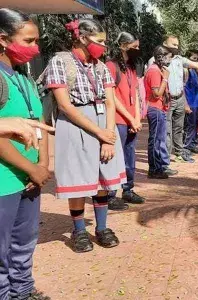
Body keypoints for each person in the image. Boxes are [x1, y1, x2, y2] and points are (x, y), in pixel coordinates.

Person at [45, 18, 127, 253]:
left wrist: (108, 135)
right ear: (82, 38)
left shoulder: (101, 67)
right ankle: (79, 229)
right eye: (99, 41)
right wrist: (99, 132)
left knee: (104, 178)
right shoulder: (60, 61)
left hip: (103, 124)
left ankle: (102, 227)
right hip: (75, 125)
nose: (102, 46)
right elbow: (65, 105)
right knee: (79, 181)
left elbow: (110, 103)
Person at [0, 8, 51, 300]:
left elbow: (39, 122)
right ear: (4, 40)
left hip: (30, 179)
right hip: (5, 180)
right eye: (29, 41)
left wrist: (42, 165)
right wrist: (30, 168)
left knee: (24, 243)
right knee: (1, 250)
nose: (35, 48)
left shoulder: (23, 78)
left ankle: (23, 292)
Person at [106, 32, 145, 208]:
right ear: (123, 46)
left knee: (130, 156)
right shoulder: (111, 66)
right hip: (117, 120)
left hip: (130, 120)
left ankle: (128, 189)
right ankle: (110, 194)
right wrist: (129, 118)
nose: (137, 50)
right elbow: (112, 96)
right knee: (115, 158)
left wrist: (136, 118)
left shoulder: (131, 67)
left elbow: (135, 94)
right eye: (134, 47)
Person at [144, 45, 179, 178]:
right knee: (156, 140)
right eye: (169, 57)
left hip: (160, 109)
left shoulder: (158, 69)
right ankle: (154, 169)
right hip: (155, 108)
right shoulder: (154, 71)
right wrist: (165, 78)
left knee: (160, 139)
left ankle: (159, 167)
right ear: (161, 57)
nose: (170, 60)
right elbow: (157, 93)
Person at [183, 50, 198, 154]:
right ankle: (186, 147)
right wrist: (185, 103)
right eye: (194, 59)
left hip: (196, 101)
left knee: (195, 124)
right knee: (189, 125)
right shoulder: (185, 71)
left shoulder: (194, 71)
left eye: (197, 59)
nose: (196, 61)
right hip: (190, 101)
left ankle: (193, 143)